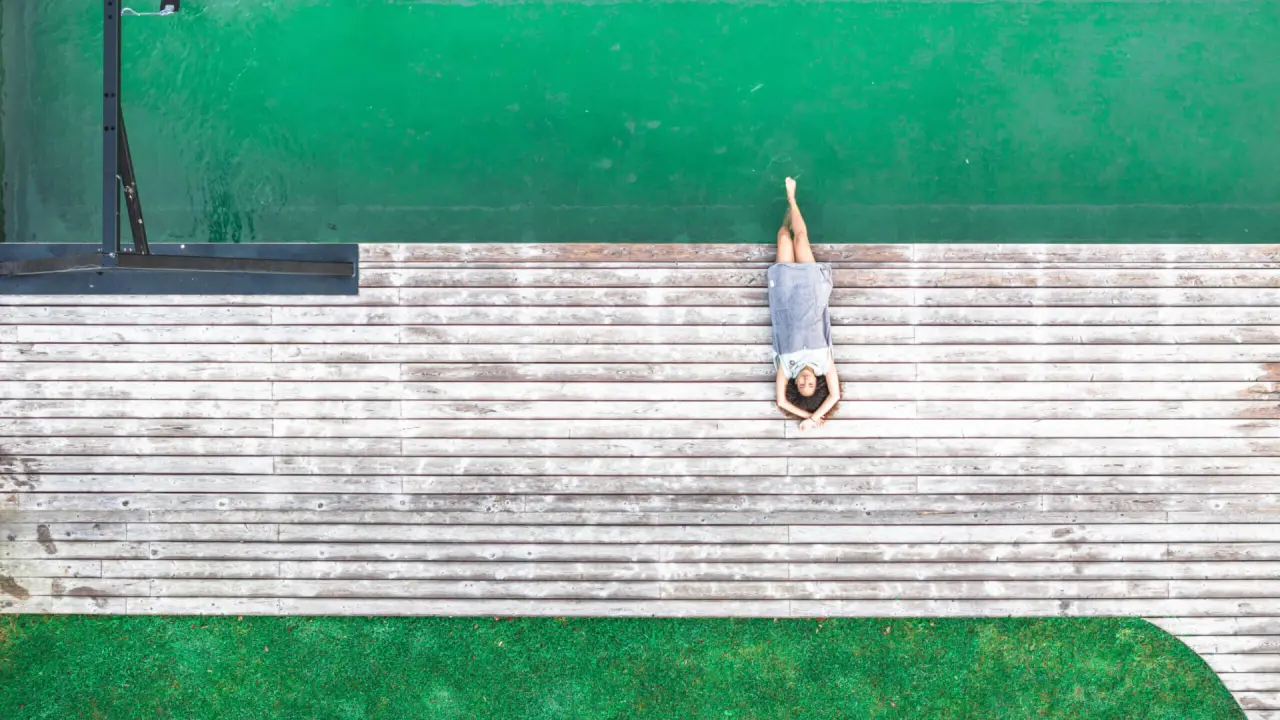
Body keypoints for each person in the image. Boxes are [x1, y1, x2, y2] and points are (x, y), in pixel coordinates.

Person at [769, 177, 840, 431]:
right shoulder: (824, 363)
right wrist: (814, 416)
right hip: (811, 292)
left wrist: (805, 417)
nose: (806, 382)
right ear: (818, 383)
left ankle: (789, 215)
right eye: (811, 385)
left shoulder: (785, 368)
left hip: (786, 294)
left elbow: (780, 400)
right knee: (800, 239)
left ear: (796, 385)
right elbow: (835, 396)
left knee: (783, 237)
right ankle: (792, 199)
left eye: (802, 386)